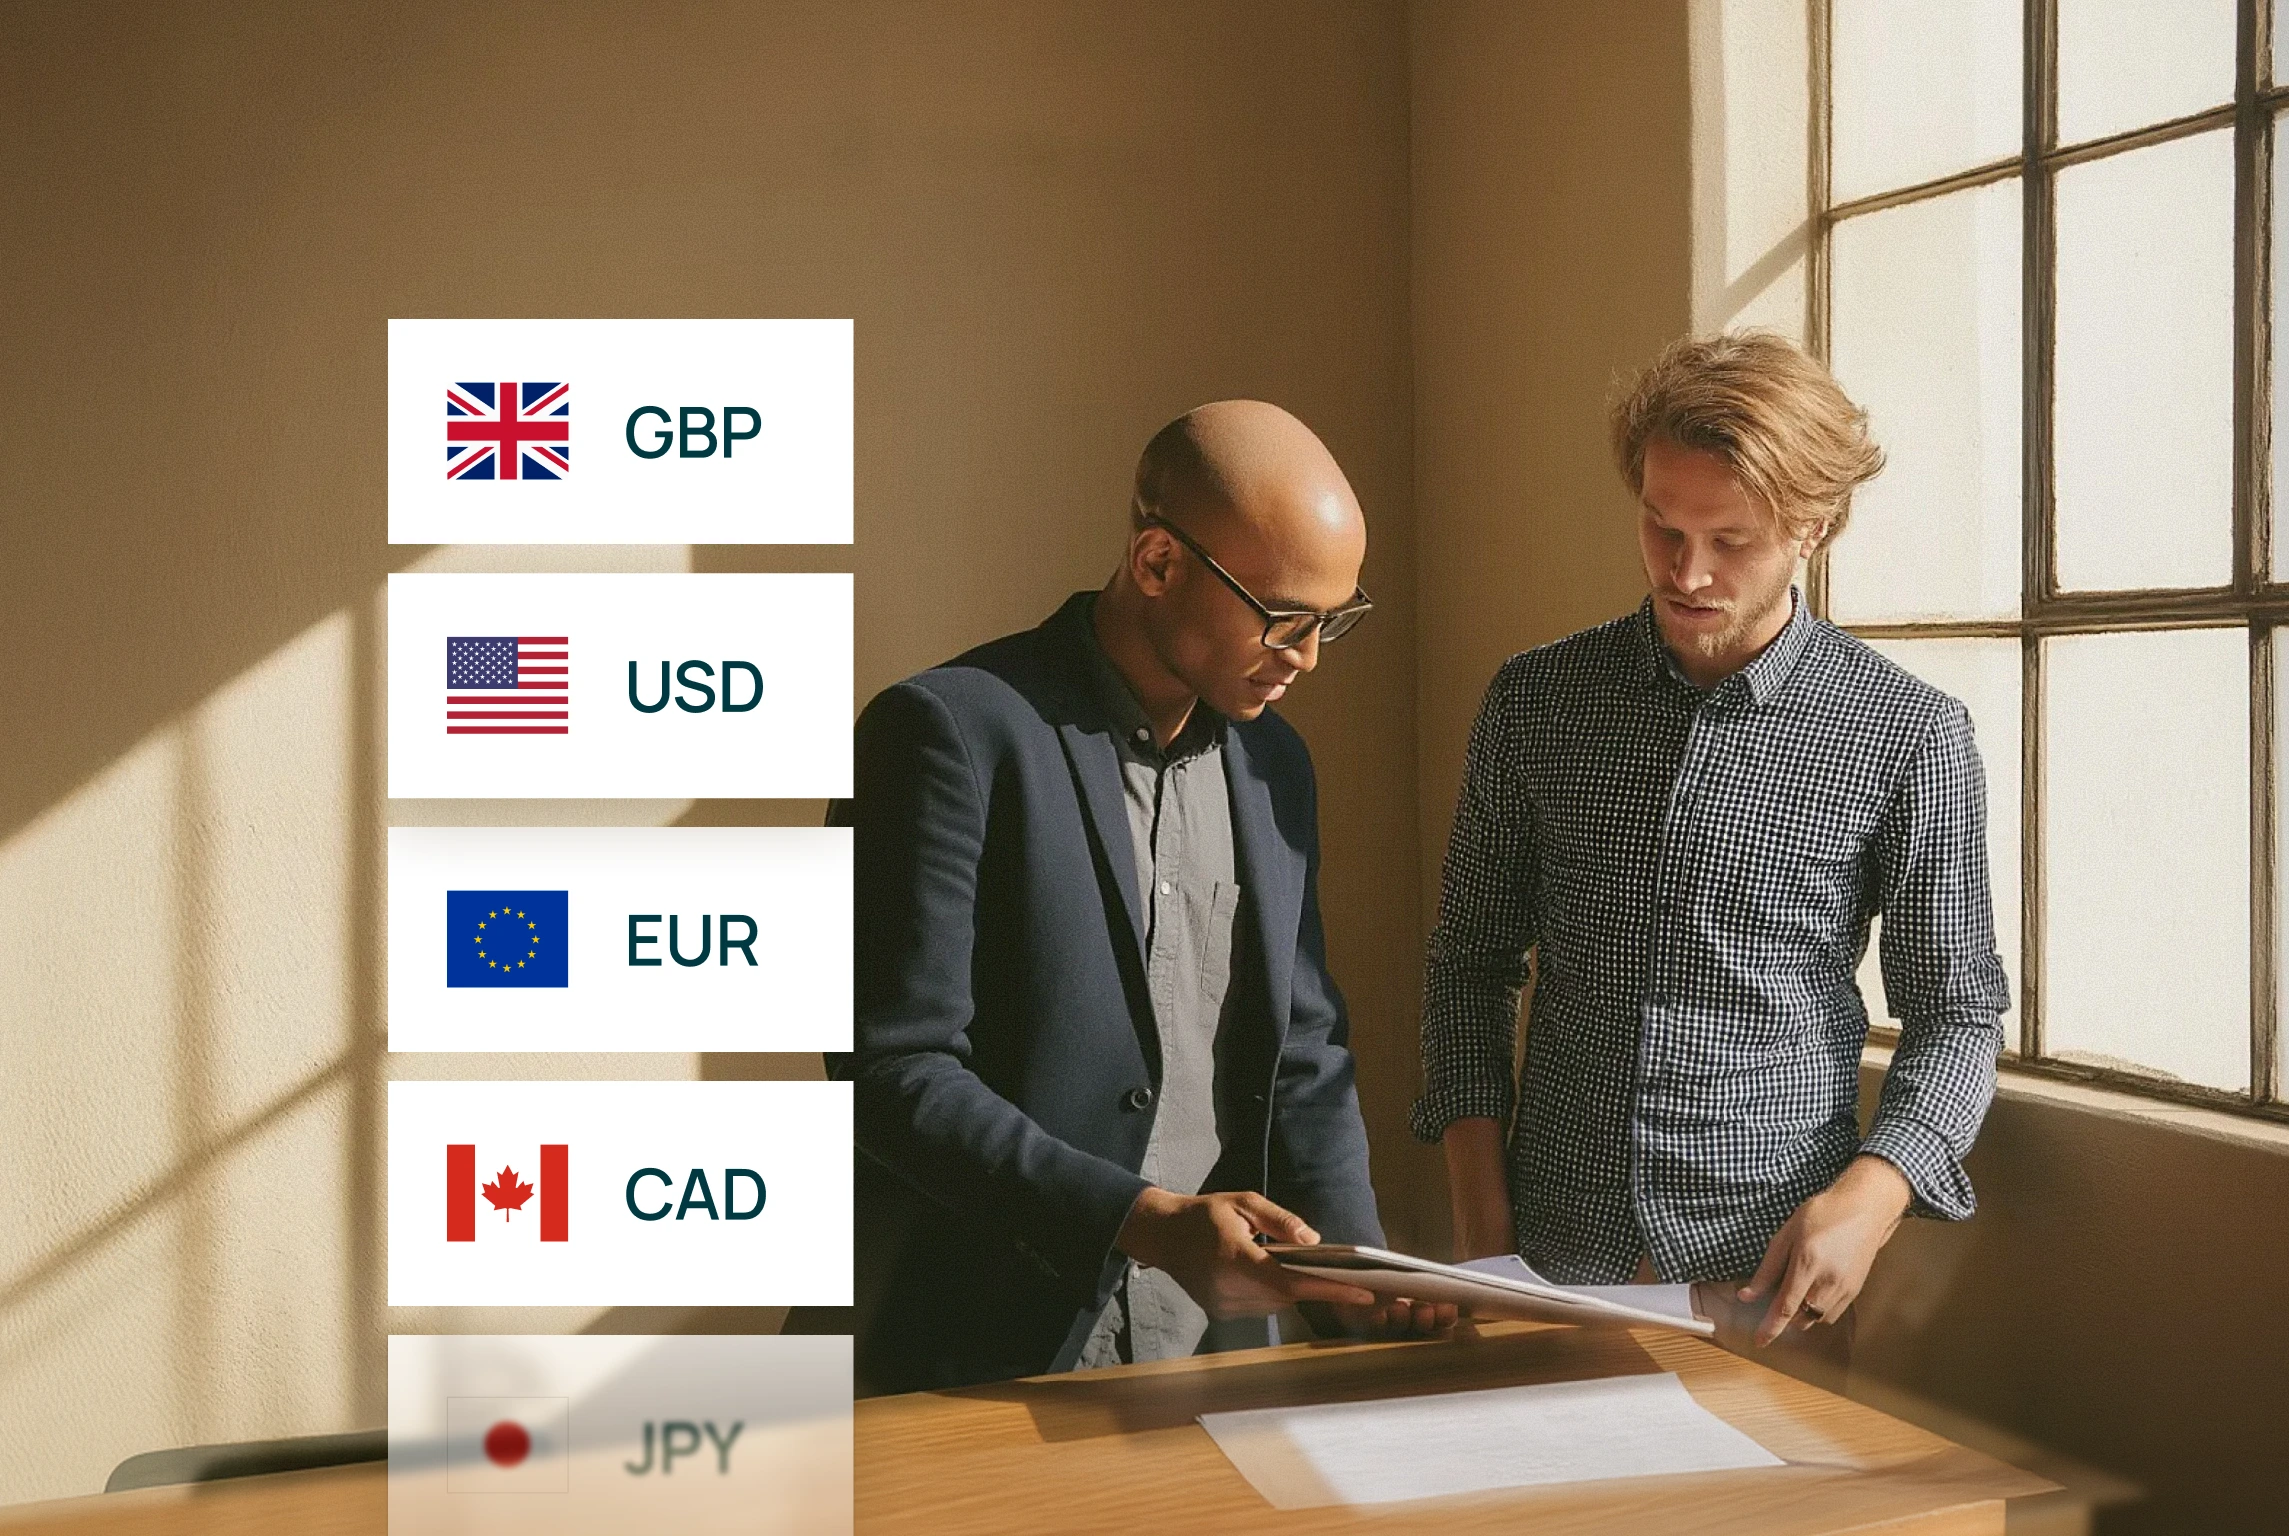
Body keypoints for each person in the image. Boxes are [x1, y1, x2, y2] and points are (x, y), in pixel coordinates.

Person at [1413, 332, 2008, 1380]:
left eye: (1731, 540)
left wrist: (1868, 1202)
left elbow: (1957, 1013)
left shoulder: (1908, 735)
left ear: (1812, 527)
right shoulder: (1536, 701)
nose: (1687, 573)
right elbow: (1469, 965)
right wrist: (1483, 1238)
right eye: (1662, 526)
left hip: (1767, 1280)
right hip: (1546, 1259)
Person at [837, 400, 1452, 1393]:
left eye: (1334, 621)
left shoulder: (1275, 767)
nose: (1307, 655)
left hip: (1213, 1358)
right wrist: (1143, 1222)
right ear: (1158, 561)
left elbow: (1301, 1052)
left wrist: (1357, 1279)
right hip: (978, 1355)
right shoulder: (945, 734)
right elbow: (890, 1068)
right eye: (1283, 616)